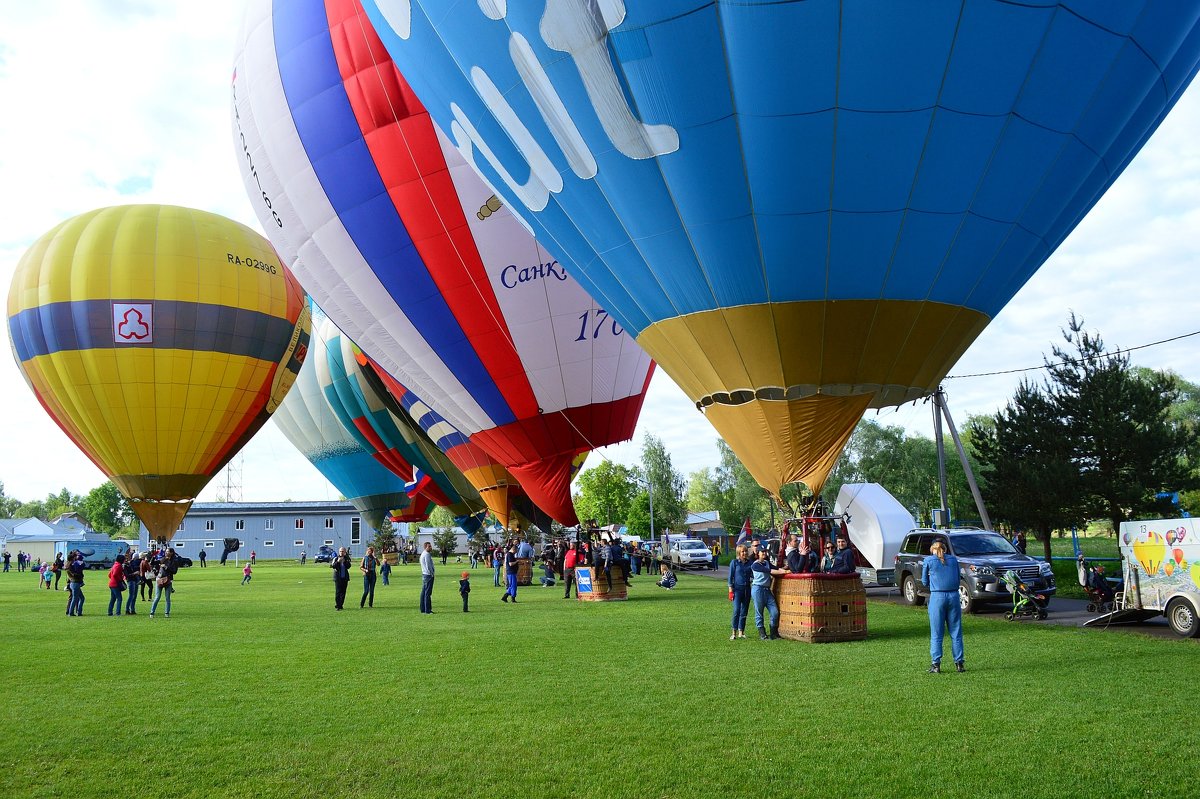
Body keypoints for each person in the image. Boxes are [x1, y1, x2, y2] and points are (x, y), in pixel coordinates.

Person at [922, 540, 965, 673]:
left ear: (932, 550)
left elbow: (924, 581)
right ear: (945, 549)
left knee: (937, 633)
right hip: (953, 596)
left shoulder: (928, 561)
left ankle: (936, 664)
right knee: (956, 631)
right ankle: (959, 663)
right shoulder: (953, 560)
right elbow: (958, 579)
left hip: (937, 597)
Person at [750, 548, 785, 640]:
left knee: (775, 612)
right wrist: (784, 572)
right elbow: (771, 571)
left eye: (765, 551)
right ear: (758, 554)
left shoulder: (766, 563)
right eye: (762, 552)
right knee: (759, 612)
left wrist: (786, 569)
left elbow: (776, 568)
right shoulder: (755, 565)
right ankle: (762, 633)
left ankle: (773, 633)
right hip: (758, 589)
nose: (764, 553)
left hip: (767, 590)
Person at [727, 545, 753, 640]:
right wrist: (730, 590)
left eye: (746, 551)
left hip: (747, 589)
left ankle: (741, 631)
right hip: (737, 590)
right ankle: (733, 632)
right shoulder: (734, 563)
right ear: (739, 553)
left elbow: (754, 574)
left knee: (744, 611)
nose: (745, 553)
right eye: (742, 551)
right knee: (736, 610)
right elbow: (730, 577)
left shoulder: (750, 563)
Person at [149, 548, 179, 618]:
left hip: (168, 580)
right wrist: (153, 555)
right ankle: (152, 613)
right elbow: (152, 563)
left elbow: (174, 571)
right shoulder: (163, 559)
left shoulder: (174, 561)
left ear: (171, 553)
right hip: (159, 579)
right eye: (166, 551)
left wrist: (166, 567)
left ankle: (167, 613)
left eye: (167, 551)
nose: (166, 552)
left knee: (167, 598)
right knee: (157, 597)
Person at [65, 551, 85, 616]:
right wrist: (80, 574)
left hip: (73, 583)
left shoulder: (69, 565)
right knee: (75, 598)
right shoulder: (71, 566)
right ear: (73, 558)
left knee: (80, 598)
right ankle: (72, 612)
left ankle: (77, 612)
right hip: (75, 583)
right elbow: (74, 575)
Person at [419, 542, 435, 614]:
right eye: (429, 546)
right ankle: (427, 610)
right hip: (428, 575)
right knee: (428, 593)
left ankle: (422, 608)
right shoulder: (427, 555)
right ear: (425, 547)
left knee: (423, 592)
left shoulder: (423, 554)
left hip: (424, 574)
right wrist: (432, 573)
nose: (431, 547)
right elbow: (428, 565)